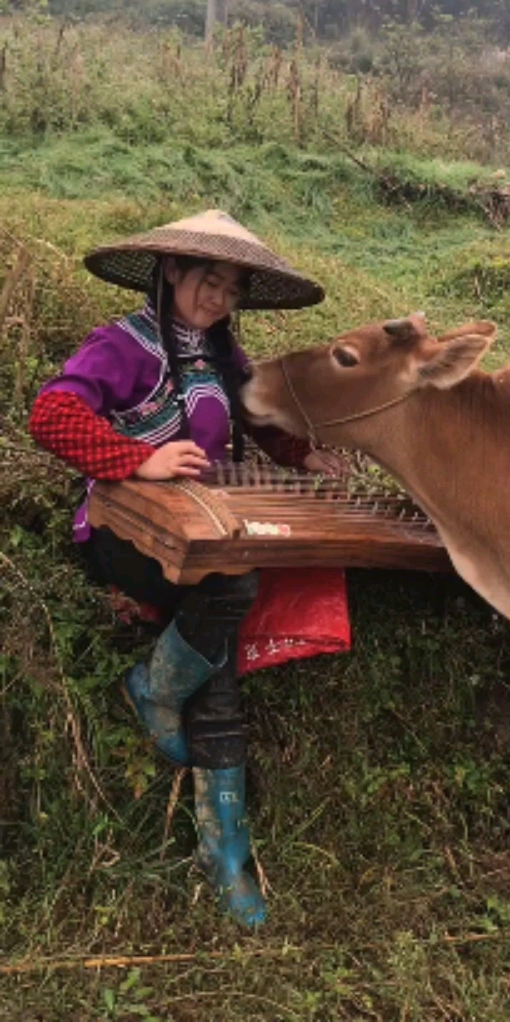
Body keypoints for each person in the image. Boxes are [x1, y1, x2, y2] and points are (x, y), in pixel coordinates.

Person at [29, 209, 343, 929]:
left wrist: (303, 455)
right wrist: (138, 458)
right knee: (234, 584)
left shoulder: (222, 355)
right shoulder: (120, 346)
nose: (220, 300)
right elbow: (52, 414)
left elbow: (258, 418)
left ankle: (225, 853)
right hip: (122, 529)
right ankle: (150, 688)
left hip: (199, 529)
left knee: (223, 638)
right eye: (210, 281)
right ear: (171, 271)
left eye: (233, 289)